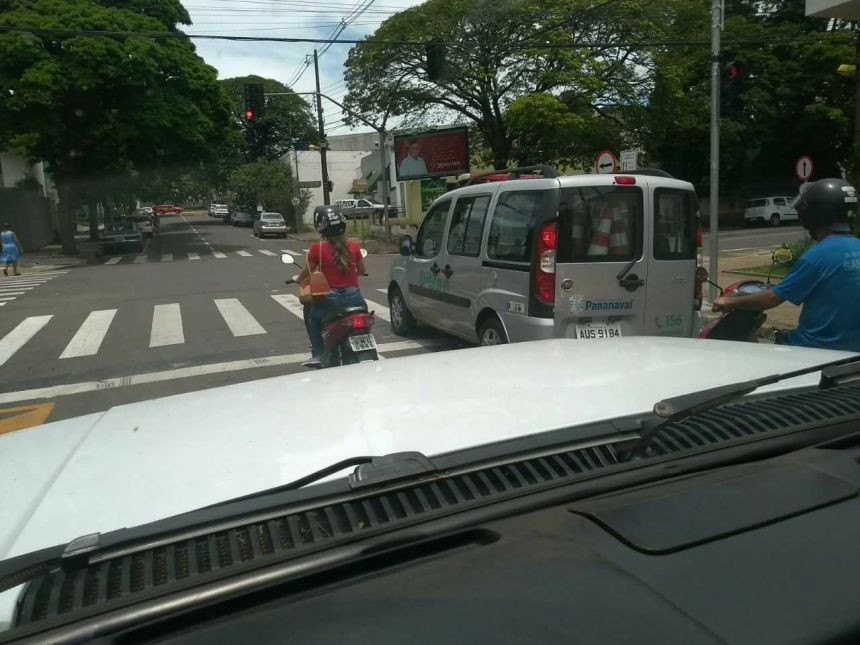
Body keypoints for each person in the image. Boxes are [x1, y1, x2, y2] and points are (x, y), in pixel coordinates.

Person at [713, 178, 860, 352]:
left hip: (814, 347)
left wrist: (728, 302)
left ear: (812, 214)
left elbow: (771, 299)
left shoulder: (817, 256)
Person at [298, 208, 368, 367]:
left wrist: (298, 279)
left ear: (320, 226)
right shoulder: (354, 246)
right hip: (356, 299)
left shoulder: (317, 248)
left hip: (330, 300)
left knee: (312, 316)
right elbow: (362, 271)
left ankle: (317, 353)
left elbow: (307, 273)